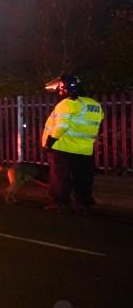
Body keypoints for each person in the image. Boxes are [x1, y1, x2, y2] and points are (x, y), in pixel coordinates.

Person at [41, 74, 104, 213]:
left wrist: (49, 142)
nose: (58, 91)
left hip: (64, 147)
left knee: (60, 177)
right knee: (83, 178)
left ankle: (59, 203)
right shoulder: (94, 104)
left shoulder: (67, 103)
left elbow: (61, 126)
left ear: (65, 88)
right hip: (85, 150)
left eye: (60, 88)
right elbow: (99, 126)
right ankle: (84, 203)